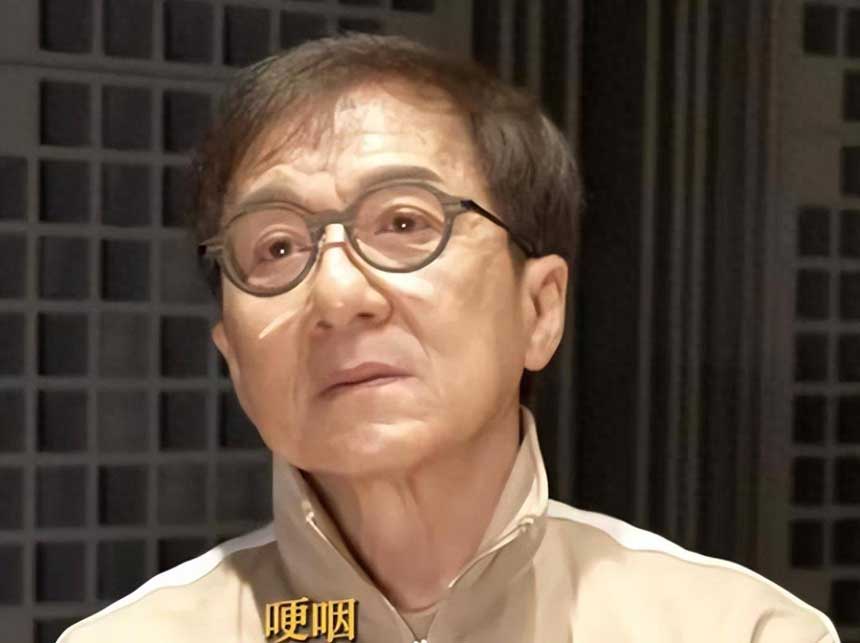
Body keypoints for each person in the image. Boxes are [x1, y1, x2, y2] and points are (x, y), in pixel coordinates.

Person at [58, 33, 840, 643]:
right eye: (278, 247)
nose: (337, 294)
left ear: (540, 309)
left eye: (404, 223)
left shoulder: (736, 630)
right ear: (233, 356)